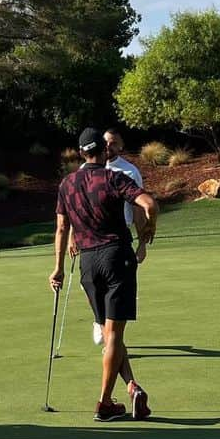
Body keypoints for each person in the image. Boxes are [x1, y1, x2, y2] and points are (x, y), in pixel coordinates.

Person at [51, 127, 159, 421]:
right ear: (103, 150)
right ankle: (104, 403)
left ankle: (132, 388)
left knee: (109, 333)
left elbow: (62, 229)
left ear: (81, 152)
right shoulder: (113, 177)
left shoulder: (67, 184)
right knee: (114, 335)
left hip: (87, 263)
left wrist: (58, 268)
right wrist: (149, 229)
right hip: (116, 257)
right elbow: (148, 204)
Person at [93, 128, 144, 347]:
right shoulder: (92, 169)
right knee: (96, 286)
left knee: (116, 291)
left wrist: (143, 244)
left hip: (121, 237)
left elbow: (140, 209)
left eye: (113, 143)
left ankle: (110, 338)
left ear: (120, 146)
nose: (108, 147)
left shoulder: (129, 172)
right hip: (94, 236)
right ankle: (100, 321)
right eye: (105, 143)